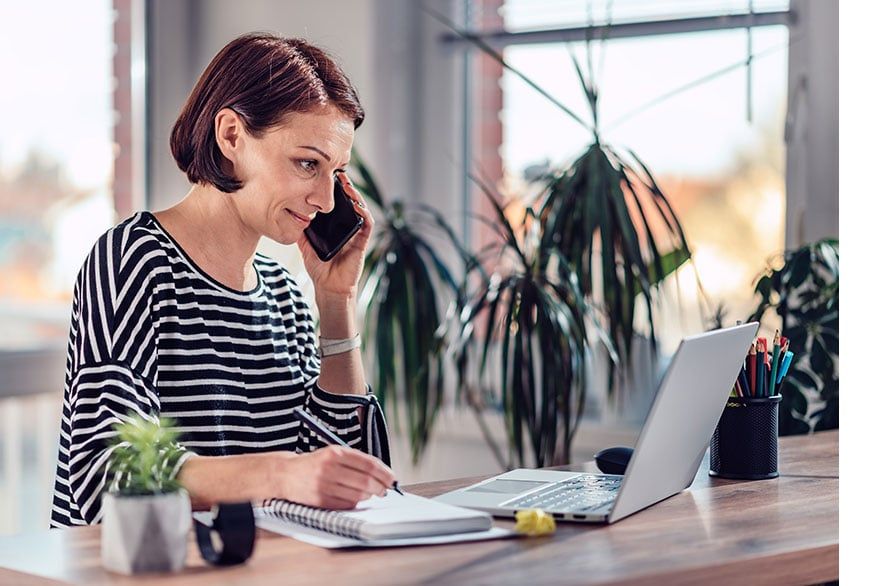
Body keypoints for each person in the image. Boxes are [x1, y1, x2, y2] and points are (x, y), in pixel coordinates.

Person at [50, 32, 396, 527]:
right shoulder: (130, 260)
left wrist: (336, 304)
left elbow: (345, 481)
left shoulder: (285, 296)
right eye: (307, 164)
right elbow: (106, 473)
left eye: (334, 172)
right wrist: (279, 475)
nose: (325, 199)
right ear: (231, 135)